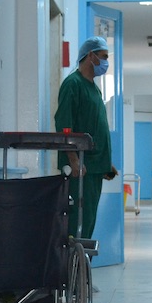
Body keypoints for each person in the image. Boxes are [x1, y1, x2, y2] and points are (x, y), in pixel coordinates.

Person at [54, 36, 118, 239]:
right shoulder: (73, 84)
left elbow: (96, 126)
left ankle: (82, 258)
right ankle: (73, 259)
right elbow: (64, 125)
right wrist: (73, 159)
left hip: (94, 167)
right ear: (91, 56)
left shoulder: (94, 88)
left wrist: (106, 163)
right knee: (77, 221)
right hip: (80, 167)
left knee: (88, 220)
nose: (106, 62)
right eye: (104, 57)